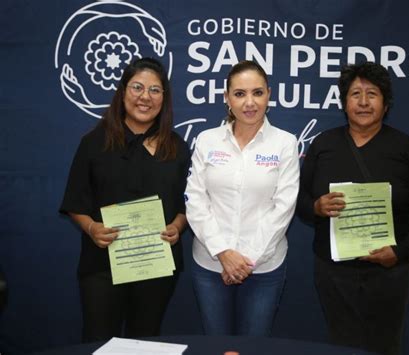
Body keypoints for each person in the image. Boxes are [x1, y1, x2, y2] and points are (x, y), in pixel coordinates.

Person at [297, 61, 409, 355]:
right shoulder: (324, 144)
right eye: (355, 94)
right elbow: (297, 198)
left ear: (385, 104)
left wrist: (399, 253)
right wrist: (316, 205)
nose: (363, 102)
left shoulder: (406, 148)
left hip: (389, 274)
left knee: (385, 347)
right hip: (334, 273)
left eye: (372, 94)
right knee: (342, 346)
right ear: (344, 102)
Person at [59, 57, 190, 342]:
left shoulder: (177, 147)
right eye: (137, 87)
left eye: (155, 90)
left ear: (164, 98)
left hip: (156, 265)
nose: (145, 97)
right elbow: (75, 202)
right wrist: (92, 228)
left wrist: (177, 227)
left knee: (145, 341)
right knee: (99, 340)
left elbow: (187, 205)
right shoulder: (94, 142)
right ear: (122, 92)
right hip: (102, 265)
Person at [185, 60, 300, 336]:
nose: (250, 102)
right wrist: (223, 252)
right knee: (216, 344)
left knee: (254, 346)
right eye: (239, 94)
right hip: (211, 264)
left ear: (269, 94)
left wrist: (245, 260)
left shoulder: (285, 143)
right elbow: (195, 199)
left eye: (257, 92)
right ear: (226, 98)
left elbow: (283, 209)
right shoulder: (207, 140)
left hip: (264, 268)